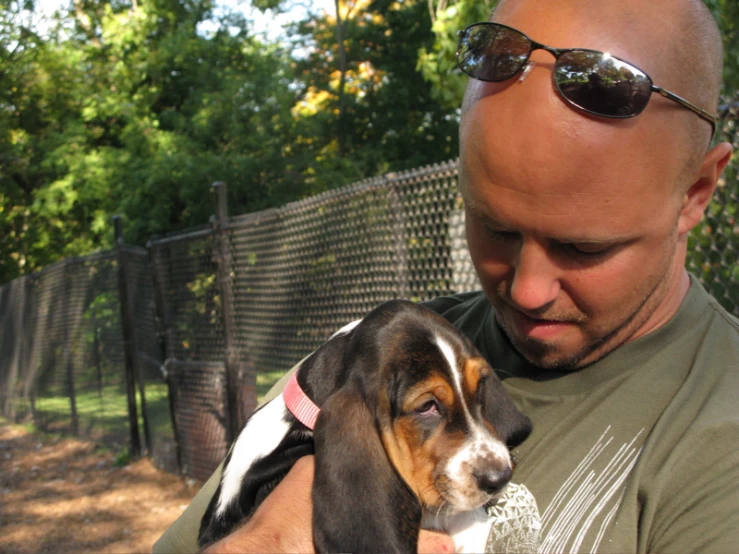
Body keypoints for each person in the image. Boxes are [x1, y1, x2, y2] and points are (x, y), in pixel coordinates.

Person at [154, 0, 738, 551]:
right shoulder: (391, 352)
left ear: (696, 193)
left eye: (582, 247)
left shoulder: (718, 436)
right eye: (494, 227)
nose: (527, 289)